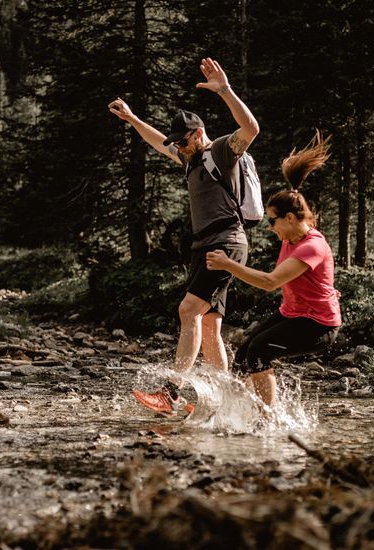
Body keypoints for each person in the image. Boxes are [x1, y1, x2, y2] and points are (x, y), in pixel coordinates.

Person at [108, 58, 260, 415]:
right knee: (209, 326)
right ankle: (228, 403)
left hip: (226, 243)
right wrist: (131, 119)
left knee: (188, 310)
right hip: (205, 245)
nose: (177, 146)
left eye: (182, 140)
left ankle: (170, 394)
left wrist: (225, 91)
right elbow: (159, 142)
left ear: (197, 133)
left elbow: (251, 128)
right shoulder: (190, 159)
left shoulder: (220, 151)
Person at [205, 132, 341, 411]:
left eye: (272, 221)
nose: (270, 227)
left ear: (290, 218)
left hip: (318, 325)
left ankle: (268, 418)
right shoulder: (290, 238)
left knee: (258, 353)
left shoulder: (311, 247)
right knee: (244, 351)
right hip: (293, 314)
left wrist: (228, 264)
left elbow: (270, 282)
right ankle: (236, 408)